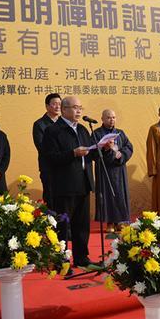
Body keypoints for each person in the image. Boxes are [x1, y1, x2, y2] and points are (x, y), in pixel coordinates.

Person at [42, 96, 107, 268]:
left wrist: (102, 148)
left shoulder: (84, 130)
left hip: (84, 183)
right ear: (64, 109)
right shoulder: (53, 131)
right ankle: (60, 260)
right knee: (62, 226)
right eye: (75, 107)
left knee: (82, 225)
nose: (79, 111)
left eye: (80, 108)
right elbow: (50, 158)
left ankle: (81, 258)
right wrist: (73, 154)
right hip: (64, 186)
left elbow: (91, 155)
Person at [92, 109, 134, 232]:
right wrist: (106, 150)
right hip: (105, 170)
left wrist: (120, 154)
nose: (112, 120)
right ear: (102, 119)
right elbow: (93, 152)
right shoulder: (96, 133)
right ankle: (109, 223)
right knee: (107, 195)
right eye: (109, 118)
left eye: (114, 117)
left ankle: (120, 221)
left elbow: (129, 147)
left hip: (119, 170)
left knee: (120, 194)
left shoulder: (120, 133)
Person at [32, 93, 62, 207]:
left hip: (63, 167)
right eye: (54, 104)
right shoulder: (40, 124)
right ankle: (50, 223)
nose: (57, 106)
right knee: (50, 196)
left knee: (62, 198)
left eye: (60, 104)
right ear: (47, 106)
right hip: (48, 167)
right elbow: (41, 146)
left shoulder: (63, 123)